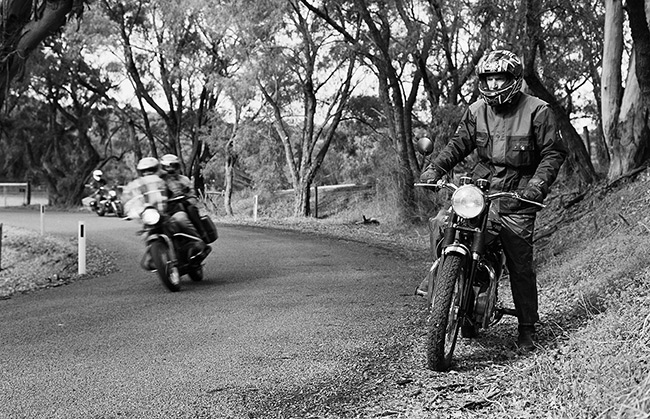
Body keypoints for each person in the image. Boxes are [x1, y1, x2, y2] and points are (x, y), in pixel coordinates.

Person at [418, 49, 567, 351]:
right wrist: (436, 168)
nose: (495, 84)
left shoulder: (538, 110)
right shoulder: (476, 111)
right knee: (441, 222)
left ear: (514, 79)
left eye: (501, 77)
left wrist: (537, 185)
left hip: (517, 194)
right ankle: (445, 279)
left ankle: (527, 327)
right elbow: (458, 144)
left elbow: (553, 153)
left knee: (519, 259)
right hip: (480, 189)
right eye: (489, 78)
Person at [124, 157, 209, 262]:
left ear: (157, 168)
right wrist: (130, 209)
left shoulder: (167, 178)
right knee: (146, 232)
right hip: (153, 212)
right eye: (144, 170)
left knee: (181, 219)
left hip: (171, 209)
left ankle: (198, 243)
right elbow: (131, 197)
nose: (148, 172)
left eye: (151, 169)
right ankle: (153, 255)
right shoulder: (139, 183)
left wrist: (177, 195)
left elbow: (176, 189)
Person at [159, 153, 210, 244]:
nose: (171, 169)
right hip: (163, 211)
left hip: (180, 209)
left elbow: (193, 197)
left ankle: (199, 238)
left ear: (177, 167)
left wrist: (186, 201)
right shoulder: (157, 181)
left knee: (189, 211)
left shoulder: (184, 180)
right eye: (167, 167)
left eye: (174, 166)